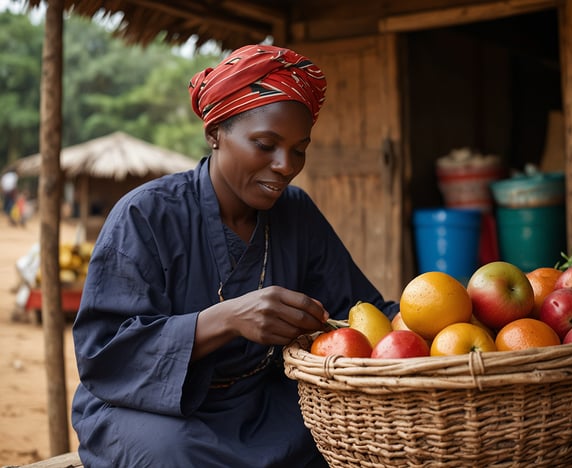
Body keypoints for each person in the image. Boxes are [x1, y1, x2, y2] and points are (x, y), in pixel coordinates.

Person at [71, 44, 398, 467]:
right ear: (214, 134)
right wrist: (225, 319)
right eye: (265, 144)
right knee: (171, 455)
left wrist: (452, 321)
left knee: (337, 437)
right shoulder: (145, 215)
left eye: (299, 149)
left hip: (260, 404)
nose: (285, 165)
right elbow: (103, 354)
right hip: (149, 409)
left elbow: (362, 311)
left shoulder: (296, 213)